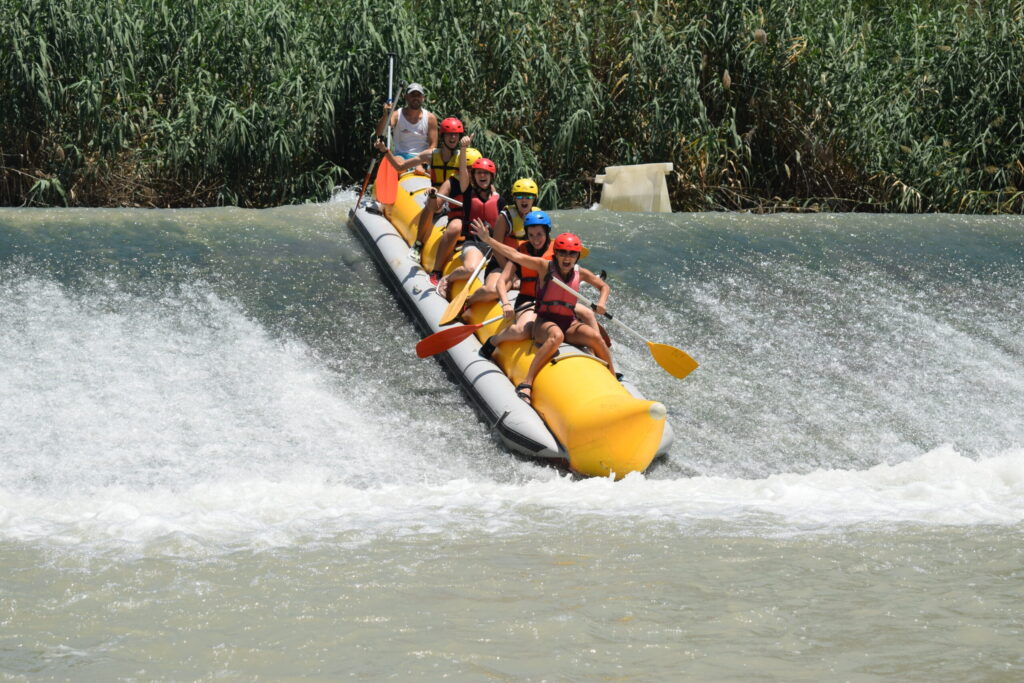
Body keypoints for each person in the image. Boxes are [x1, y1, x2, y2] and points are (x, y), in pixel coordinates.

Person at [470, 224, 616, 405]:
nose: (567, 258)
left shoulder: (581, 273)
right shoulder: (544, 266)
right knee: (557, 335)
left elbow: (604, 286)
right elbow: (515, 255)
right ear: (555, 254)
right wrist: (488, 240)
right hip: (544, 323)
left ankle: (613, 379)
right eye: (562, 253)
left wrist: (602, 302)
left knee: (595, 336)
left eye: (571, 254)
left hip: (568, 322)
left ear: (577, 256)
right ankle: (527, 382)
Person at [373, 117, 481, 256]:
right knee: (431, 201)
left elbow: (478, 181)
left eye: (456, 134)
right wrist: (385, 151)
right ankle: (418, 244)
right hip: (437, 198)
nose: (453, 138)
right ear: (443, 136)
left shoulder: (464, 158)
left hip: (456, 202)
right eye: (449, 134)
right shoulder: (431, 155)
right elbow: (400, 166)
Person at [461, 178, 540, 310]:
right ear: (514, 198)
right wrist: (511, 275)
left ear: (534, 199)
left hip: (524, 265)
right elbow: (496, 249)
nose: (524, 200)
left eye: (528, 197)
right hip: (501, 263)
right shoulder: (505, 217)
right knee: (493, 291)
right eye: (519, 196)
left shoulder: (538, 216)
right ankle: (468, 301)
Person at [432, 154, 500, 291]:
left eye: (486, 173)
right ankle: (444, 276)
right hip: (474, 242)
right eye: (479, 173)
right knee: (470, 268)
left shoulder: (498, 198)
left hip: (493, 245)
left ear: (492, 177)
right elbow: (463, 176)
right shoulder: (468, 193)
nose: (482, 176)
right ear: (473, 176)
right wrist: (463, 149)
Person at [374, 83, 437, 161]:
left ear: (423, 98)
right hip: (401, 157)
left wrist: (423, 162)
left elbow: (433, 146)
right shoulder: (397, 115)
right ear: (406, 97)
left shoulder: (430, 118)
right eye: (412, 95)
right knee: (398, 161)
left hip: (422, 158)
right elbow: (379, 132)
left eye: (418, 95)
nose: (416, 98)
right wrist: (385, 115)